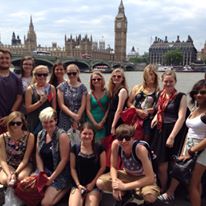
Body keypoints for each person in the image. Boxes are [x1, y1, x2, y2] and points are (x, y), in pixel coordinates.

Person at [158, 79, 206, 205]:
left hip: (201, 149)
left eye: (203, 92)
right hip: (189, 146)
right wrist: (186, 149)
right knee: (196, 181)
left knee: (193, 184)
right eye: (196, 92)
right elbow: (190, 131)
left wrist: (191, 151)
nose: (199, 95)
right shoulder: (196, 108)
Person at [96, 124, 160, 205]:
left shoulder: (140, 149)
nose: (123, 141)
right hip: (127, 174)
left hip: (143, 177)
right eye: (120, 138)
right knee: (100, 182)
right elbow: (113, 166)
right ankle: (126, 194)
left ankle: (132, 193)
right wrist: (115, 184)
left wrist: (124, 186)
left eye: (127, 138)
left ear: (133, 138)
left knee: (150, 197)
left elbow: (150, 177)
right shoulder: (116, 144)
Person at [150, 70, 188, 193]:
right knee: (161, 163)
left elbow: (181, 117)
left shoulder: (181, 96)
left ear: (175, 81)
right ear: (162, 81)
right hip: (159, 132)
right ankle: (163, 187)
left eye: (171, 81)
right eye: (166, 81)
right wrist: (156, 117)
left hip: (173, 132)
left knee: (171, 163)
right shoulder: (160, 94)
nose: (168, 84)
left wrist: (172, 136)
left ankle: (170, 190)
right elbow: (159, 110)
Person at [36, 107, 70, 206]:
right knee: (30, 192)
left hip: (60, 173)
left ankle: (66, 188)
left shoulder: (62, 136)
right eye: (45, 122)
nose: (48, 125)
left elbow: (64, 160)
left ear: (56, 121)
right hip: (45, 170)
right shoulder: (40, 134)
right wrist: (41, 173)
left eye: (51, 121)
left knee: (45, 203)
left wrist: (51, 179)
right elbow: (38, 155)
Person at [69, 122, 106, 206]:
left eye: (90, 134)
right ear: (80, 134)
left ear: (93, 135)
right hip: (78, 185)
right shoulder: (74, 148)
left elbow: (103, 167)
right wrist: (78, 185)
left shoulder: (99, 148)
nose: (87, 136)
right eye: (84, 133)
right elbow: (72, 168)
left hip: (94, 185)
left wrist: (92, 184)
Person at [0, 111, 34, 186]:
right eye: (12, 123)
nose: (15, 125)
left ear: (22, 123)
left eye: (18, 123)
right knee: (5, 180)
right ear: (9, 123)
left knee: (21, 178)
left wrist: (15, 173)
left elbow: (26, 159)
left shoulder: (29, 136)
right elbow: (2, 160)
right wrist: (9, 174)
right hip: (9, 163)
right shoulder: (2, 137)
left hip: (24, 164)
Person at [127, 64, 159, 141]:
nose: (152, 77)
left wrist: (153, 109)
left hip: (147, 120)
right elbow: (129, 102)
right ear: (145, 75)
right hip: (135, 118)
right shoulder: (137, 87)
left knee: (145, 140)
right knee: (132, 138)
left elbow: (158, 106)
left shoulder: (157, 90)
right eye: (150, 74)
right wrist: (137, 110)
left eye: (154, 74)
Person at [25, 65, 56, 136]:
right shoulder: (30, 89)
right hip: (33, 121)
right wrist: (41, 101)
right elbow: (28, 109)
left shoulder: (51, 88)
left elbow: (54, 107)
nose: (42, 77)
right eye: (39, 75)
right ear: (35, 76)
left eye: (45, 75)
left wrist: (52, 120)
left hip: (46, 122)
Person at [58, 64, 87, 131]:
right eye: (69, 73)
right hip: (65, 117)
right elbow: (61, 105)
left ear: (78, 73)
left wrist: (77, 117)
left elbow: (83, 105)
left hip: (79, 117)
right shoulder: (61, 87)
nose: (71, 75)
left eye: (74, 73)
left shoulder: (83, 88)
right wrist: (73, 115)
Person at [0, 49, 23, 134]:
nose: (4, 60)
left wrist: (10, 116)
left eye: (7, 58)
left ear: (10, 60)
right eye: (1, 58)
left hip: (11, 121)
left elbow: (19, 98)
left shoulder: (17, 78)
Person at [86, 71, 109, 143]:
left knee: (102, 144)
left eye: (99, 79)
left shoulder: (107, 93)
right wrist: (95, 123)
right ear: (91, 81)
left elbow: (108, 108)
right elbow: (88, 110)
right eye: (94, 79)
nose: (96, 81)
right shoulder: (89, 94)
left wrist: (102, 121)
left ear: (102, 80)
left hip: (103, 122)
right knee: (92, 142)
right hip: (92, 122)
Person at [106, 68, 128, 136]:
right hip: (110, 118)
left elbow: (119, 110)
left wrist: (113, 125)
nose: (116, 78)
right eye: (114, 76)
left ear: (122, 79)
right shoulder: (112, 90)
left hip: (117, 120)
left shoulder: (122, 91)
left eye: (119, 76)